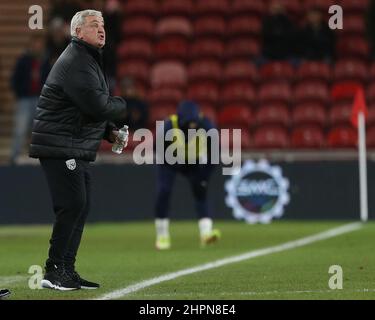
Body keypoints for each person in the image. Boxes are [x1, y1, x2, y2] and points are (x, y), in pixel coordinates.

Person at [29, 9, 127, 291]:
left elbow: (87, 107)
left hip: (71, 143)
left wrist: (108, 130)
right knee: (71, 205)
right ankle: (53, 270)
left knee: (79, 206)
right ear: (77, 32)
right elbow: (98, 104)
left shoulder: (87, 59)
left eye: (103, 24)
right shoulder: (77, 61)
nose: (101, 29)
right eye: (94, 25)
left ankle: (66, 269)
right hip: (60, 144)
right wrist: (124, 105)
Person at [154, 100, 220, 250]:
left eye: (194, 123)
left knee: (201, 191)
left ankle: (206, 233)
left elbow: (215, 155)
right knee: (163, 192)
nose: (192, 127)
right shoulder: (168, 126)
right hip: (170, 162)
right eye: (188, 123)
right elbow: (157, 150)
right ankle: (162, 235)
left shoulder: (206, 125)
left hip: (194, 163)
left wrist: (204, 175)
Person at [10, 33, 51, 164]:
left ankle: (41, 158)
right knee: (20, 129)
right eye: (35, 44)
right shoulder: (23, 60)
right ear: (31, 45)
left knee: (40, 130)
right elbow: (15, 79)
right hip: (25, 99)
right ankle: (14, 158)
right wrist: (20, 93)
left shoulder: (46, 62)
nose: (37, 47)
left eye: (40, 45)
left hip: (41, 100)